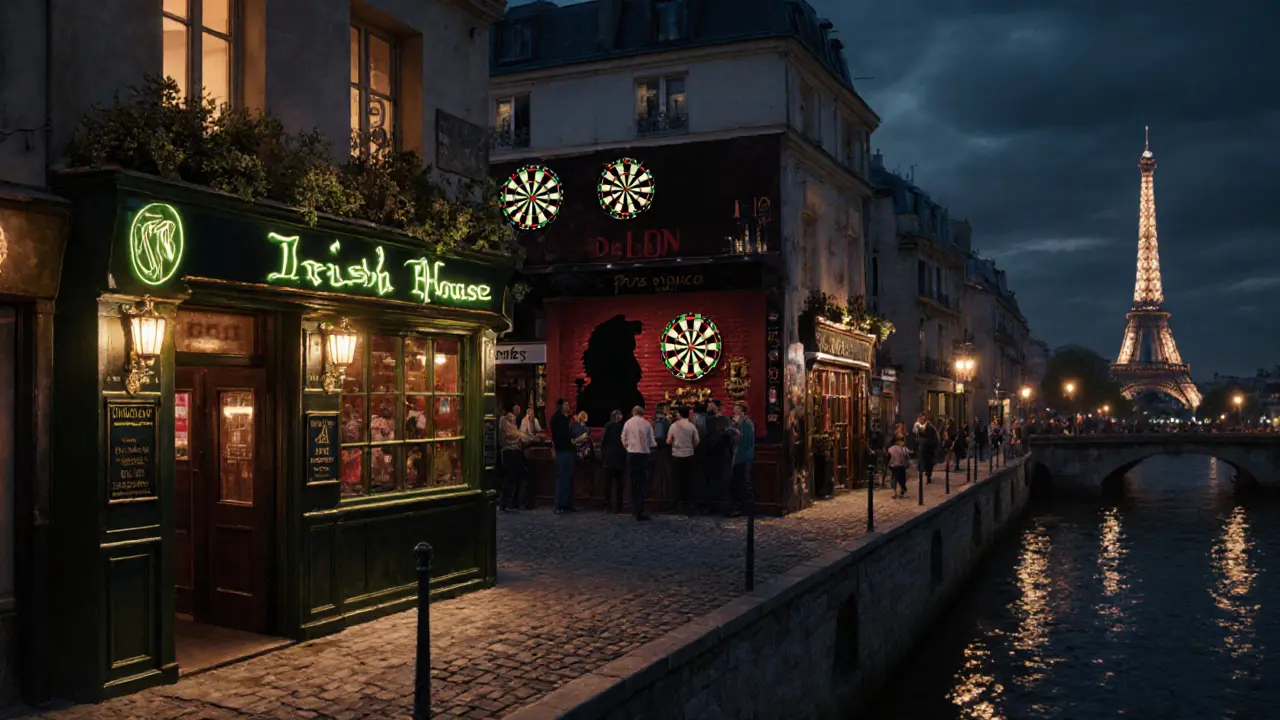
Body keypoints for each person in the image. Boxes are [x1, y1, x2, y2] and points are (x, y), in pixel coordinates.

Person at [621, 405, 657, 521]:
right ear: (642, 413)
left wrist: (628, 447)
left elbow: (623, 438)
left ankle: (633, 508)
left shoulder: (627, 423)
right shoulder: (646, 424)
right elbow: (652, 443)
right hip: (643, 455)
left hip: (631, 454)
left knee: (633, 482)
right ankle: (639, 510)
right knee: (641, 483)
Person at [499, 404, 533, 512]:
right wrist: (527, 437)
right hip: (510, 452)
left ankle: (512, 502)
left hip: (514, 452)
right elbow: (513, 434)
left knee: (516, 477)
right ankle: (508, 502)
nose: (513, 418)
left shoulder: (508, 420)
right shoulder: (505, 420)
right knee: (511, 478)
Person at [667, 405, 700, 514]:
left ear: (679, 414)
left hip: (676, 455)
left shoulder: (673, 426)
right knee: (688, 481)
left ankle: (677, 504)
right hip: (689, 455)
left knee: (677, 481)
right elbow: (697, 441)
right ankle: (689, 505)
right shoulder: (691, 426)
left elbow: (668, 441)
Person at [704, 400, 735, 513]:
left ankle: (724, 507)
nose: (708, 406)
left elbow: (730, 434)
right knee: (712, 480)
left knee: (723, 480)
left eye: (710, 404)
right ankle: (713, 506)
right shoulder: (709, 420)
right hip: (713, 453)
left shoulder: (724, 420)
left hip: (721, 453)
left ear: (716, 407)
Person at [550, 399, 576, 514]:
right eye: (566, 405)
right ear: (561, 407)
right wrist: (573, 440)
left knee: (567, 479)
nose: (569, 406)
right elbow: (562, 436)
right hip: (563, 451)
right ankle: (560, 505)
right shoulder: (558, 419)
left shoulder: (564, 419)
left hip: (566, 451)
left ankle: (566, 504)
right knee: (563, 479)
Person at [730, 402, 755, 517]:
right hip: (738, 455)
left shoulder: (747, 423)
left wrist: (736, 435)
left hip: (744, 456)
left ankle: (746, 507)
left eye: (737, 408)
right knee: (738, 481)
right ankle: (740, 506)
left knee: (744, 481)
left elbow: (745, 440)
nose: (734, 410)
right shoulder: (738, 422)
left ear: (742, 410)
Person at [601, 410, 627, 513]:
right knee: (619, 485)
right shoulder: (622, 427)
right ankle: (619, 506)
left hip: (608, 459)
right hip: (620, 458)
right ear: (618, 417)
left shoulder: (608, 426)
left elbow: (603, 441)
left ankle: (607, 505)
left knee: (608, 484)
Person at [918, 414, 939, 484]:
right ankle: (928, 475)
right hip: (929, 448)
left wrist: (920, 432)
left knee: (928, 462)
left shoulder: (929, 427)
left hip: (928, 448)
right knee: (929, 463)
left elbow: (927, 435)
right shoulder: (931, 427)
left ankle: (928, 475)